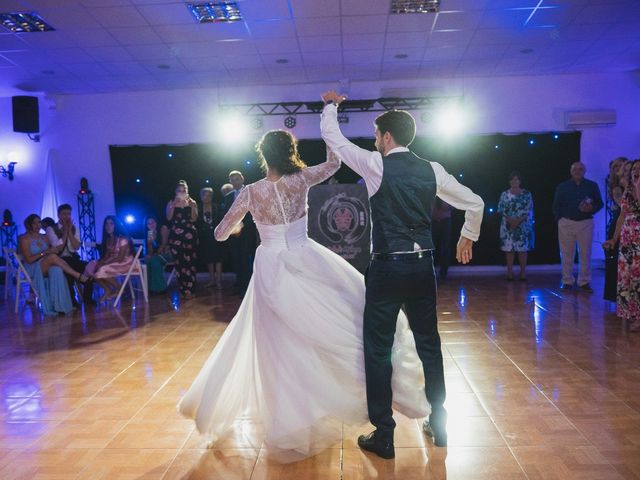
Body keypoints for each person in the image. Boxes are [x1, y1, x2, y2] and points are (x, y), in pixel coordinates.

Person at [179, 130, 429, 463]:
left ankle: (290, 418)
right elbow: (334, 163)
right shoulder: (302, 179)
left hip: (270, 268)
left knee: (278, 346)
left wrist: (243, 226)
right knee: (326, 327)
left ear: (264, 156)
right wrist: (329, 125)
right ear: (289, 152)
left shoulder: (250, 193)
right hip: (306, 259)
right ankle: (324, 402)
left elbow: (220, 233)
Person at [321, 91, 484, 457]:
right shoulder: (433, 169)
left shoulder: (376, 165)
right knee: (430, 344)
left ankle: (384, 434)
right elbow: (475, 202)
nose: (375, 142)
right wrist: (467, 236)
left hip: (386, 268)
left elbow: (335, 140)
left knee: (378, 350)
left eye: (377, 136)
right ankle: (439, 424)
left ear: (387, 137)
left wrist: (330, 106)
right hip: (422, 267)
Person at [19, 214, 89, 316]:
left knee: (56, 269)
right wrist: (45, 252)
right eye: (34, 223)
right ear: (29, 225)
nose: (38, 225)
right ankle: (78, 275)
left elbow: (54, 251)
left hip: (46, 264)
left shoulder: (45, 237)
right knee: (52, 257)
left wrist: (56, 247)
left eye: (39, 222)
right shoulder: (24, 239)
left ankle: (59, 306)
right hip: (32, 267)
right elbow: (29, 260)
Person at [552, 161, 603, 293]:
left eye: (580, 169)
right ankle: (567, 281)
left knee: (585, 253)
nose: (578, 171)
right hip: (566, 223)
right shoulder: (563, 186)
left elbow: (600, 203)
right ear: (571, 171)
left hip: (585, 223)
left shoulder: (592, 185)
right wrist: (561, 219)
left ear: (584, 171)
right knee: (566, 253)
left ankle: (584, 282)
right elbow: (556, 205)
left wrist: (591, 209)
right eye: (575, 169)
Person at [604, 159, 640, 331]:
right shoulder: (628, 190)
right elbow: (622, 215)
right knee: (628, 276)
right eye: (634, 169)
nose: (635, 171)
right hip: (627, 237)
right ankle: (631, 313)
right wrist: (614, 238)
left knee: (638, 276)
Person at [45, 204, 94, 305]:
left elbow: (76, 247)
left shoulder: (75, 228)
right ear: (58, 215)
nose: (67, 216)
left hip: (73, 258)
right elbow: (58, 248)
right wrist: (65, 231)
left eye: (69, 214)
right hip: (59, 260)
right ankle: (71, 301)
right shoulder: (51, 229)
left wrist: (70, 231)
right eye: (64, 214)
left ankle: (87, 299)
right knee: (68, 273)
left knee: (89, 268)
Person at [222, 171, 257, 296]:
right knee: (236, 259)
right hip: (233, 234)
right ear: (230, 182)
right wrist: (233, 229)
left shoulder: (250, 192)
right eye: (233, 180)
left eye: (237, 179)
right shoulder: (228, 196)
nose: (235, 182)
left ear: (242, 179)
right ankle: (240, 284)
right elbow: (227, 215)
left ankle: (247, 288)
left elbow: (254, 212)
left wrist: (242, 227)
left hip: (247, 232)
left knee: (246, 260)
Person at [85, 216, 135, 302]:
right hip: (113, 260)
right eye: (106, 224)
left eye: (111, 224)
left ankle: (120, 289)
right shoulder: (108, 239)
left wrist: (104, 263)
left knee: (101, 269)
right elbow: (107, 255)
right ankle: (107, 289)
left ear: (115, 225)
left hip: (125, 262)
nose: (108, 226)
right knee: (91, 267)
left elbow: (120, 258)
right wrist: (100, 262)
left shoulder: (122, 238)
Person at [497, 171, 534, 281]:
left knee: (523, 250)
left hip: (523, 226)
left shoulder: (527, 194)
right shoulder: (504, 194)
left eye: (517, 179)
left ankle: (523, 274)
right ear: (509, 181)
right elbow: (500, 209)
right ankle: (509, 273)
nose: (514, 181)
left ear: (520, 181)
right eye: (512, 180)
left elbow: (529, 209)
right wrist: (511, 221)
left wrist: (518, 221)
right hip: (508, 226)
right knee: (509, 250)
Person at [167, 180, 198, 299]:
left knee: (190, 262)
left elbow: (194, 219)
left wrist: (192, 206)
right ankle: (182, 288)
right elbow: (169, 218)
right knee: (179, 263)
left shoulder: (192, 202)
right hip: (176, 236)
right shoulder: (171, 202)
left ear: (187, 190)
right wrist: (173, 205)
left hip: (189, 234)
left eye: (184, 190)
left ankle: (191, 289)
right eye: (179, 190)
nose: (182, 192)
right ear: (175, 191)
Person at [604, 158, 628, 301]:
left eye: (621, 166)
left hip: (627, 221)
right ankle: (617, 296)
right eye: (615, 167)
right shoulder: (616, 187)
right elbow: (623, 206)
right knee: (617, 261)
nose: (618, 169)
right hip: (620, 222)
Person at [198, 187, 225, 288]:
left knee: (218, 258)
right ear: (201, 197)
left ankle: (218, 281)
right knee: (208, 258)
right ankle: (212, 280)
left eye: (209, 195)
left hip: (216, 235)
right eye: (205, 195)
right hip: (205, 236)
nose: (207, 197)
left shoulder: (217, 207)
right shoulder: (198, 208)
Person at [143, 216, 172, 293]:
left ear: (156, 222)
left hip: (168, 253)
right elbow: (150, 252)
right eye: (148, 224)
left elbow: (164, 244)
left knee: (154, 260)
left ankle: (160, 288)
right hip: (158, 255)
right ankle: (150, 288)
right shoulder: (150, 233)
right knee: (148, 260)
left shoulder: (163, 228)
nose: (151, 225)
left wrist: (154, 255)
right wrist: (149, 243)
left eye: (152, 222)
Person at [432, 198, 452, 280]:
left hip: (446, 219)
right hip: (433, 220)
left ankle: (444, 272)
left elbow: (453, 205)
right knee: (431, 247)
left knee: (446, 247)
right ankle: (431, 271)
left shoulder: (448, 191)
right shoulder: (430, 189)